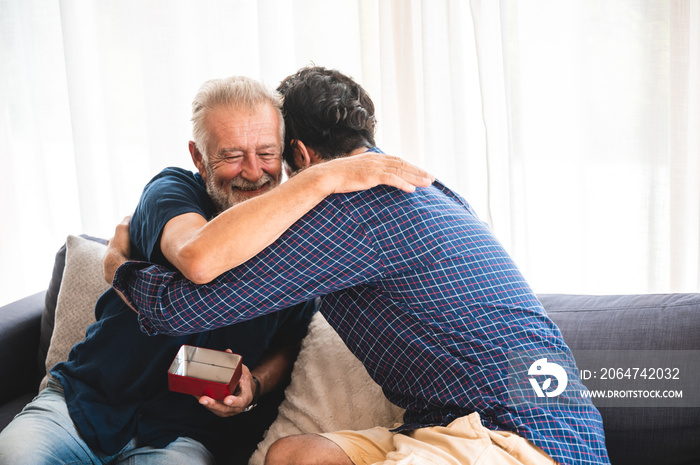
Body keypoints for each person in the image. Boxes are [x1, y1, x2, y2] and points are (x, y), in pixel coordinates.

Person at [108, 67, 611, 465]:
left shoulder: (341, 210)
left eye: (274, 157)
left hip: (513, 438)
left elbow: (178, 309)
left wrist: (116, 263)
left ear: (300, 154)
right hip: (457, 422)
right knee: (293, 457)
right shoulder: (425, 187)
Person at [0, 75, 432, 465]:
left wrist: (255, 384)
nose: (253, 172)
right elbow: (197, 256)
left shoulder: (303, 241)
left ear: (285, 154)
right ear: (199, 157)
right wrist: (318, 180)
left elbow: (290, 339)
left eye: (266, 154)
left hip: (181, 436)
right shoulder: (172, 190)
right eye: (231, 155)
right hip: (83, 403)